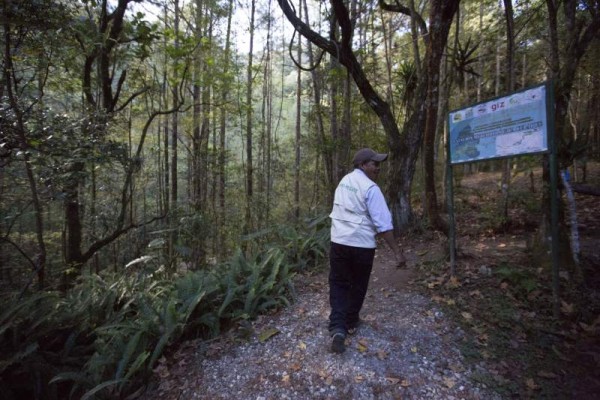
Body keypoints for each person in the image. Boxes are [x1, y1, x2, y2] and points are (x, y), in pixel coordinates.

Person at [328, 148, 406, 354]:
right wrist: (397, 252)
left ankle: (337, 327)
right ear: (363, 165)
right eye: (374, 163)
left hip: (338, 242)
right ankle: (351, 322)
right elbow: (384, 225)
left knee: (338, 284)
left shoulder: (344, 182)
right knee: (358, 284)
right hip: (361, 245)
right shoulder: (371, 188)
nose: (378, 168)